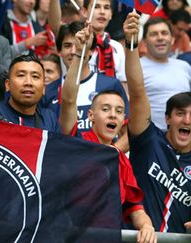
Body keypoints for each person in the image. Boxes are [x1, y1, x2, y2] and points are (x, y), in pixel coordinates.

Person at [59, 21, 156, 243]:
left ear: (124, 120)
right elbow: (68, 100)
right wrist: (79, 57)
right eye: (105, 109)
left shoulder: (121, 159)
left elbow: (135, 207)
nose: (113, 115)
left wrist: (146, 225)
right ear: (90, 116)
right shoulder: (75, 142)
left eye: (119, 111)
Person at [124, 11, 191, 233]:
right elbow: (137, 91)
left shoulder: (183, 67)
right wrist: (131, 44)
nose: (187, 120)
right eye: (180, 113)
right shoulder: (149, 142)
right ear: (167, 118)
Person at [43, 21, 129, 152]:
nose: (73, 51)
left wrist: (107, 156)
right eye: (67, 46)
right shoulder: (48, 91)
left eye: (79, 46)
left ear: (92, 50)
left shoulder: (111, 84)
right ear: (59, 51)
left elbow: (128, 133)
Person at [139, 17, 191, 130]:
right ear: (144, 41)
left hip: (184, 134)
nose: (160, 38)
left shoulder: (185, 66)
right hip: (151, 137)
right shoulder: (136, 67)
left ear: (172, 39)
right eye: (153, 34)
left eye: (164, 33)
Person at [0, 54, 60, 131]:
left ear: (44, 88)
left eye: (35, 76)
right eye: (21, 75)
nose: (28, 82)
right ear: (8, 85)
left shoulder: (49, 119)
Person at [84, 0, 127, 87]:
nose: (102, 12)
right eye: (96, 7)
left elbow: (123, 83)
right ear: (84, 12)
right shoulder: (77, 43)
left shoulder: (117, 47)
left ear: (111, 14)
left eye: (106, 8)